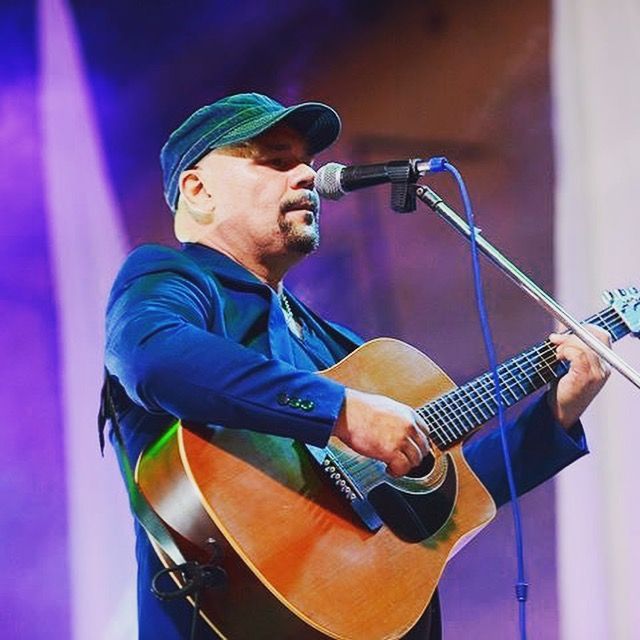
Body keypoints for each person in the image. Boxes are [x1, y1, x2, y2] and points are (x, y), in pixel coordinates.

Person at [102, 92, 611, 639]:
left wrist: (556, 413)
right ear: (198, 190)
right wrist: (342, 411)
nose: (306, 175)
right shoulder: (170, 279)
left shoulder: (341, 347)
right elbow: (154, 358)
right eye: (276, 161)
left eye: (307, 162)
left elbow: (452, 498)